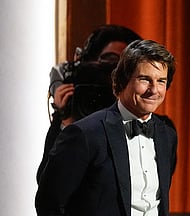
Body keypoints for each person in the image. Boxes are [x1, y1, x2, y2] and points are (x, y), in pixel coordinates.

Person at [35, 39, 177, 216]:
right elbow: (49, 204)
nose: (154, 90)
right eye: (145, 79)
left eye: (161, 81)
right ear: (123, 80)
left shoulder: (166, 135)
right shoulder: (86, 134)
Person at [38, 25, 143, 183]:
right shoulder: (73, 114)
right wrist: (66, 121)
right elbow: (49, 186)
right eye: (111, 61)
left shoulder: (158, 132)